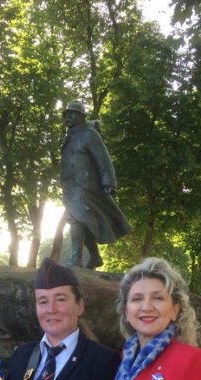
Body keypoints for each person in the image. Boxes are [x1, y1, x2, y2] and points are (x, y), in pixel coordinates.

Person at [60, 101, 131, 270]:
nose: (68, 117)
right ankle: (95, 258)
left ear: (82, 116)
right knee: (84, 220)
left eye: (72, 114)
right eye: (66, 115)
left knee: (75, 218)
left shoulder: (89, 134)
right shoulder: (70, 137)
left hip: (86, 185)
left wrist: (109, 181)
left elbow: (103, 158)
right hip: (71, 186)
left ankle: (77, 259)